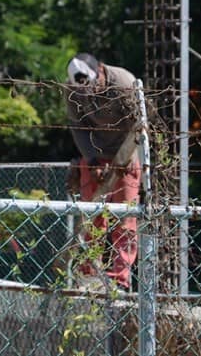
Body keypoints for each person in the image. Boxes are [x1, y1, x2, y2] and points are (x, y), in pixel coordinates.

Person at [65, 52, 141, 290]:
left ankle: (120, 279)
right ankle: (89, 275)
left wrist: (123, 158)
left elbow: (138, 125)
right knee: (92, 217)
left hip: (126, 152)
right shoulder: (73, 89)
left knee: (125, 219)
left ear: (99, 70)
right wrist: (92, 159)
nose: (86, 91)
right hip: (94, 154)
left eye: (90, 84)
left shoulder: (124, 83)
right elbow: (77, 127)